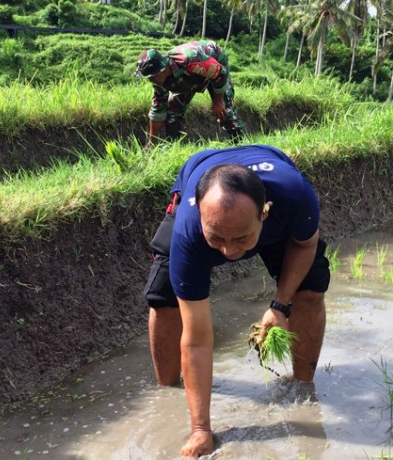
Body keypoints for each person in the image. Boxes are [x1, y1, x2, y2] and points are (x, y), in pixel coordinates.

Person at [142, 144, 329, 457]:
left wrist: (281, 305)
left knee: (309, 290)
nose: (228, 252)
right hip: (200, 174)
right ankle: (169, 390)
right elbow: (197, 340)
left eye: (241, 239)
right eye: (217, 238)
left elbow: (304, 244)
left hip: (271, 184)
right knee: (164, 299)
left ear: (265, 214)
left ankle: (304, 386)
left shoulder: (295, 198)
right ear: (200, 216)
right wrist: (200, 429)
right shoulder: (190, 231)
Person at [134, 39, 244, 148]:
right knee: (173, 111)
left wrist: (218, 101)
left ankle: (239, 146)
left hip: (214, 63)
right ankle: (173, 148)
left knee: (225, 110)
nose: (150, 80)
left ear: (162, 69)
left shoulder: (191, 60)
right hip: (189, 77)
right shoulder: (159, 81)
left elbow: (220, 74)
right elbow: (158, 110)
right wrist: (151, 143)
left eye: (151, 77)